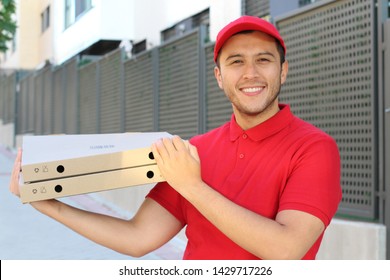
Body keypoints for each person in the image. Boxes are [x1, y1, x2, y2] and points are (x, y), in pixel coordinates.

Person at [9, 15, 342, 260]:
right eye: (236, 62)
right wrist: (50, 205)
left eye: (264, 60)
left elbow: (287, 250)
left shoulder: (313, 149)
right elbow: (139, 237)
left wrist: (193, 186)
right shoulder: (193, 151)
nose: (250, 73)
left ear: (283, 71)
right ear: (219, 77)